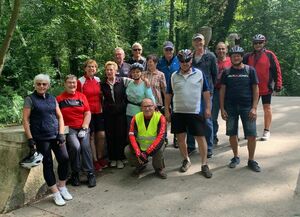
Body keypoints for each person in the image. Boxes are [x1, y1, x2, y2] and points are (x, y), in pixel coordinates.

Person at [23, 74, 72, 206]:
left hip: (56, 135)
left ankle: (62, 186)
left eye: (44, 84)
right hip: (41, 138)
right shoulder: (30, 99)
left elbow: (60, 117)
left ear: (48, 85)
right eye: (38, 84)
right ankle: (55, 193)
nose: (41, 86)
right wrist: (30, 139)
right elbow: (25, 120)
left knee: (64, 159)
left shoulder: (52, 98)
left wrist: (61, 134)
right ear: (35, 85)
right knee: (48, 164)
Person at [165, 49, 213, 178]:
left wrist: (208, 108)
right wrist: (166, 110)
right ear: (179, 61)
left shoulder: (199, 74)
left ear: (191, 60)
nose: (185, 63)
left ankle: (204, 164)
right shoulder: (173, 75)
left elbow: (206, 93)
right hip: (178, 112)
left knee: (200, 137)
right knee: (180, 139)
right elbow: (168, 94)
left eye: (187, 60)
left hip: (195, 111)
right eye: (182, 61)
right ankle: (186, 160)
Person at [219, 46, 261, 172]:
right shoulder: (226, 72)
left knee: (251, 134)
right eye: (233, 55)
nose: (236, 57)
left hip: (247, 107)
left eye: (238, 55)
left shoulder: (250, 70)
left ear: (242, 57)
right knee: (232, 133)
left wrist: (254, 108)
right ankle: (235, 157)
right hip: (230, 107)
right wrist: (222, 108)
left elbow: (255, 89)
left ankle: (251, 160)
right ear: (230, 57)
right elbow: (222, 91)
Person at [57, 75, 97, 188]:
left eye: (74, 82)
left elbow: (87, 113)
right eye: (69, 82)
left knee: (85, 146)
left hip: (82, 127)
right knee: (75, 147)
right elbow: (57, 116)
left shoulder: (82, 96)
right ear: (64, 84)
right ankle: (75, 173)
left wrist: (84, 127)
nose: (72, 85)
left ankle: (90, 173)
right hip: (68, 128)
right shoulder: (59, 99)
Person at [243, 34, 282, 141]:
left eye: (260, 42)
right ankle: (250, 131)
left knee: (267, 108)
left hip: (266, 86)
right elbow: (242, 69)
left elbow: (276, 69)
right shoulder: (248, 56)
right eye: (255, 43)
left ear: (264, 43)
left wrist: (278, 84)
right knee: (250, 109)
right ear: (253, 44)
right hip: (251, 87)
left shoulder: (270, 55)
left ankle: (266, 130)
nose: (258, 45)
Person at [77, 59, 108, 171]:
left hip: (99, 111)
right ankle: (94, 160)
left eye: (93, 67)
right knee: (91, 137)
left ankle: (100, 157)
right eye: (89, 66)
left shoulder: (97, 80)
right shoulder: (80, 81)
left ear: (96, 69)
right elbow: (78, 98)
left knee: (101, 135)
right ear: (85, 68)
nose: (91, 69)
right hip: (87, 113)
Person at [125, 98, 167, 179]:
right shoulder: (136, 118)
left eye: (150, 106)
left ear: (154, 106)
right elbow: (131, 136)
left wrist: (146, 153)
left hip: (155, 145)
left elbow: (161, 137)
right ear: (141, 108)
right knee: (127, 150)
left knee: (159, 150)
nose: (147, 108)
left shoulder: (160, 118)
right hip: (140, 146)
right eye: (145, 106)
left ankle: (159, 168)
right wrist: (138, 152)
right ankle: (140, 165)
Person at [191, 33, 218, 158]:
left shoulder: (210, 56)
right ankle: (191, 146)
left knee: (207, 119)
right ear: (193, 43)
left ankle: (209, 147)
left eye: (200, 41)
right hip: (192, 93)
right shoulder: (190, 57)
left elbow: (214, 74)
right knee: (191, 118)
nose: (198, 43)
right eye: (196, 41)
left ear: (204, 42)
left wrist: (210, 88)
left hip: (207, 93)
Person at [101, 61, 129, 169]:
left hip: (120, 113)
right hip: (108, 114)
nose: (109, 72)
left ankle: (120, 158)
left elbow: (136, 81)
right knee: (110, 135)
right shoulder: (102, 84)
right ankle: (113, 158)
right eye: (107, 70)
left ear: (116, 71)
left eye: (111, 70)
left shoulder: (122, 81)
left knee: (120, 135)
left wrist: (145, 80)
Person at [212, 42, 232, 145]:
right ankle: (213, 136)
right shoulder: (213, 61)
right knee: (212, 116)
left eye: (223, 49)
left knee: (229, 114)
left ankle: (232, 135)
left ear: (226, 50)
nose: (221, 51)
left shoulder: (231, 60)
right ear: (216, 51)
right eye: (219, 49)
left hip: (228, 91)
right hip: (215, 91)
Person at [125, 63, 156, 127]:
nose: (135, 74)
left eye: (137, 72)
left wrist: (154, 109)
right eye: (133, 72)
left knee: (141, 133)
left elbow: (150, 97)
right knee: (130, 132)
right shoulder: (129, 83)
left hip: (141, 112)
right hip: (129, 112)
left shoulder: (145, 84)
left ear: (141, 73)